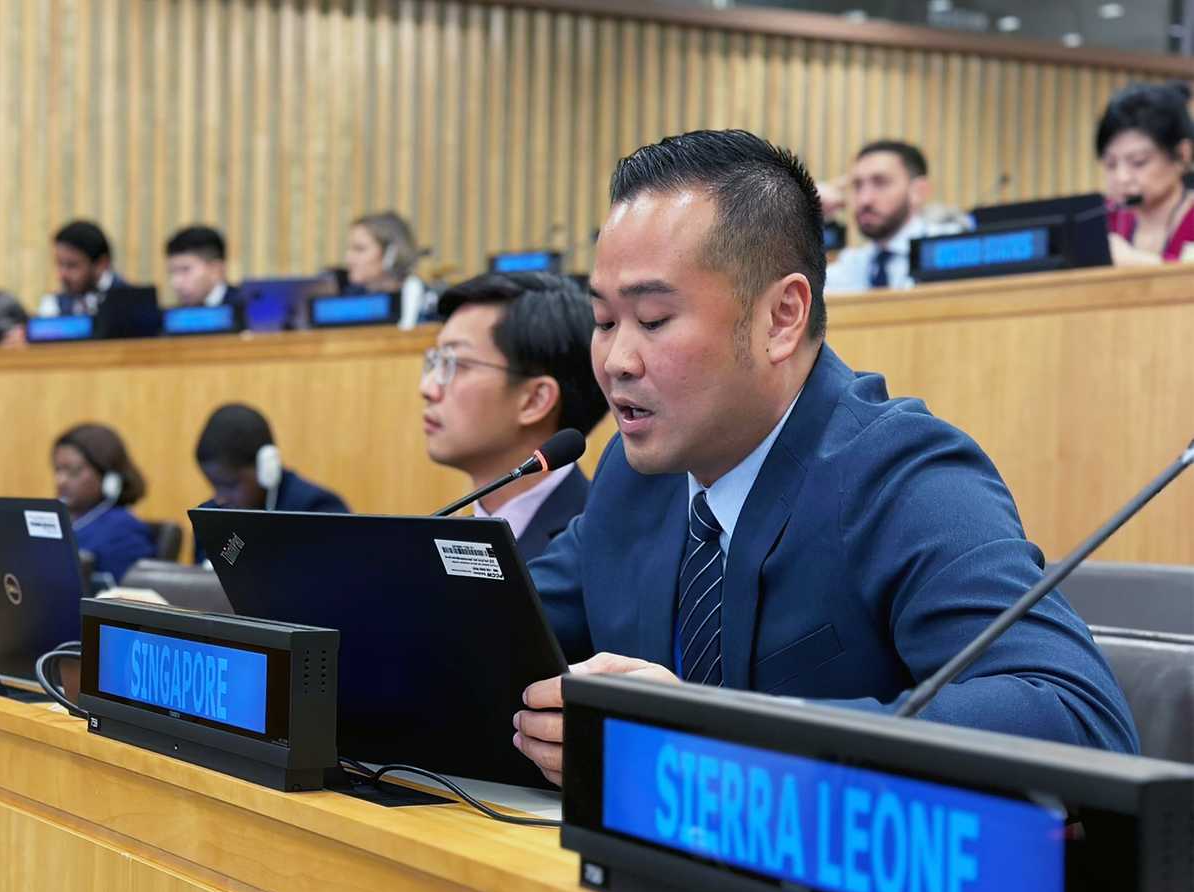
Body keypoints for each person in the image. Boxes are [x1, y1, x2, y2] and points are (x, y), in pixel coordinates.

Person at [512, 129, 1137, 787]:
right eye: (605, 321)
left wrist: (712, 737)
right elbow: (506, 631)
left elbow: (1078, 717)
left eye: (655, 319)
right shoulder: (635, 477)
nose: (615, 362)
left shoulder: (902, 474)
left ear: (782, 317)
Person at [421, 272, 607, 562]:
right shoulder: (439, 539)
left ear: (534, 400)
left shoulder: (601, 543)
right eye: (435, 362)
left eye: (456, 364)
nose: (428, 388)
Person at [191, 404, 348, 563]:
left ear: (265, 467)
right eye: (215, 485)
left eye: (230, 485)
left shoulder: (318, 510)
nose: (220, 498)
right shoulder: (211, 518)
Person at [823, 140, 965, 293]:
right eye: (858, 185)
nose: (864, 199)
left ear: (918, 192)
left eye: (880, 183)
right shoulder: (852, 263)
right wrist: (806, 207)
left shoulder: (952, 247)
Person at [1098, 82, 1194, 265]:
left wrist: (1138, 262)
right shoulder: (1103, 220)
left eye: (1138, 162)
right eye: (1110, 164)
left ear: (1183, 154)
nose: (1121, 178)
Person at [52, 423, 155, 583]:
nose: (60, 481)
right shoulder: (57, 523)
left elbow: (128, 599)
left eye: (73, 471)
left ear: (109, 479)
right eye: (57, 470)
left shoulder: (124, 530)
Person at [343, 211, 435, 329]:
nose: (348, 258)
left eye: (359, 249)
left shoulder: (425, 300)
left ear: (391, 254)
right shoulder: (350, 297)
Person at [37, 220, 126, 316]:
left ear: (101, 264)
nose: (62, 275)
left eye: (72, 265)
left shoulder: (130, 303)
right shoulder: (54, 305)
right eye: (59, 264)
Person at [166, 225, 243, 308]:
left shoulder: (246, 310)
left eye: (185, 269)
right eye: (172, 272)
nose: (176, 282)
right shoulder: (174, 316)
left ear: (216, 270)